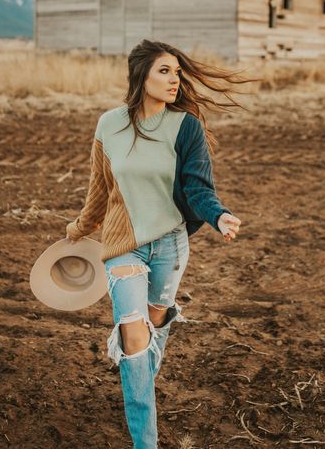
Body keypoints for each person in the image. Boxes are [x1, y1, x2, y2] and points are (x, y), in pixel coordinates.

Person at [65, 39, 257, 448]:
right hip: (122, 245)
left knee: (152, 330)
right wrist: (81, 227)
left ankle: (139, 390)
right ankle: (145, 442)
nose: (175, 79)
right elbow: (99, 188)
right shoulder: (109, 125)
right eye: (164, 71)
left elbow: (199, 188)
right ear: (141, 76)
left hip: (170, 245)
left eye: (177, 72)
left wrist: (218, 214)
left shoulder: (185, 126)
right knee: (133, 337)